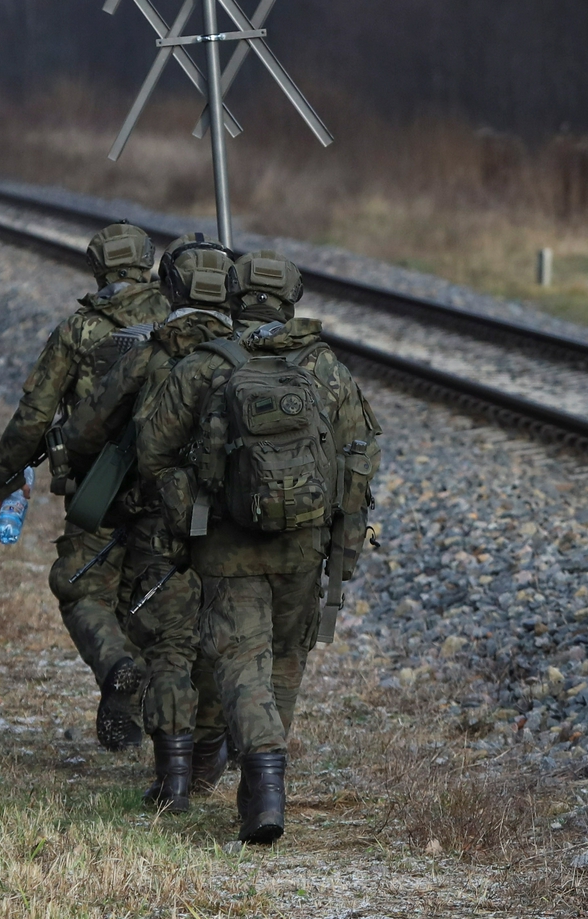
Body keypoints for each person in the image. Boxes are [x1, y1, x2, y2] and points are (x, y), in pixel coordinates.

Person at [135, 250, 381, 843]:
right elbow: (359, 456)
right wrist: (337, 533)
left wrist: (190, 506)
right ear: (293, 295)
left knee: (240, 660)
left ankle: (266, 787)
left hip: (226, 544)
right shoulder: (324, 367)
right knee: (285, 658)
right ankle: (263, 786)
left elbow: (153, 451)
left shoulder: (204, 365)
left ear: (234, 293)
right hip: (304, 543)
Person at [58, 236, 237, 811]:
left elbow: (89, 427)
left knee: (169, 644)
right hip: (235, 523)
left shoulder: (150, 352)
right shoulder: (248, 353)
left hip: (163, 519)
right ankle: (218, 757)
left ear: (172, 288)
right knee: (223, 640)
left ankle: (174, 781)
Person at [0, 220, 171, 751]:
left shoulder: (79, 331)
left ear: (98, 269)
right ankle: (175, 730)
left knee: (81, 586)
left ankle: (117, 668)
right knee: (160, 597)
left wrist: (7, 477)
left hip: (100, 491)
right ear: (147, 264)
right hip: (172, 493)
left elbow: (34, 415)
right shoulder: (180, 323)